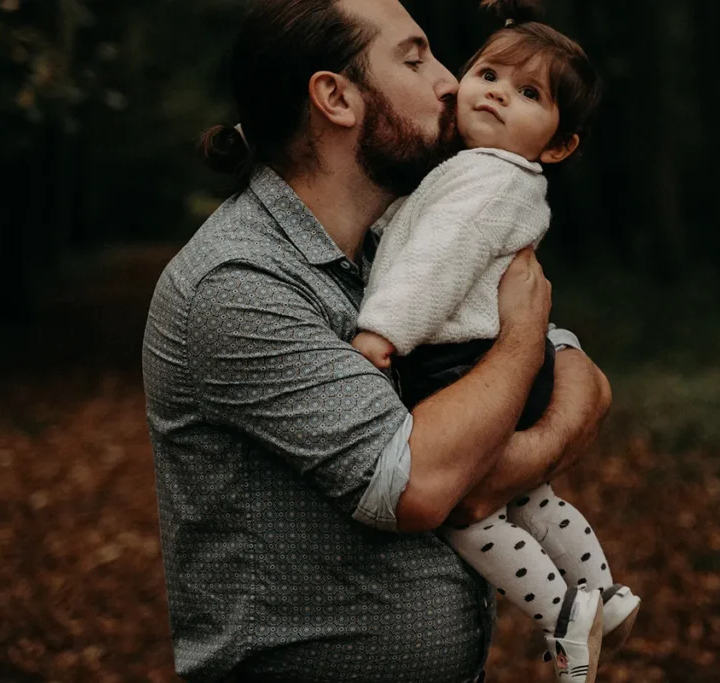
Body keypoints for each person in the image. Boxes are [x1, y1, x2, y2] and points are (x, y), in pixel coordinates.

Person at [140, 0, 612, 682]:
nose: (452, 81)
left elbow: (586, 382)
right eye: (415, 60)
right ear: (336, 97)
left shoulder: (405, 241)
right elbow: (417, 484)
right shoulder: (240, 280)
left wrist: (499, 451)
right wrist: (520, 346)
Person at [349, 2, 639, 680]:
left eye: (530, 93)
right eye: (489, 74)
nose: (498, 94)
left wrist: (381, 330)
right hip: (504, 354)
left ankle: (565, 613)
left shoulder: (488, 180)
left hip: (463, 362)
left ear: (560, 143)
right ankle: (609, 592)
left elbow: (436, 261)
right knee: (530, 497)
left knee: (463, 513)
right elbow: (416, 226)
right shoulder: (484, 170)